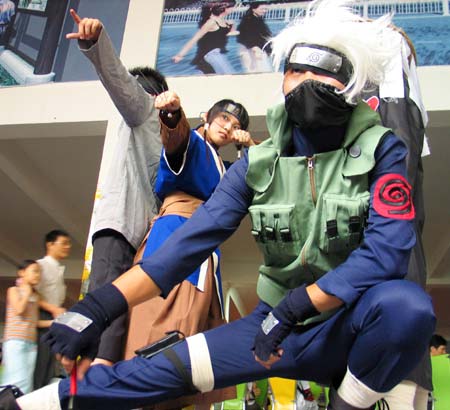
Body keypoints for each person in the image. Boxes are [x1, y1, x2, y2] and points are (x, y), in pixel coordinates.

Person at [9, 1, 436, 410]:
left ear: (345, 85)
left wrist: (297, 307)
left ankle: (347, 405)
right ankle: (27, 403)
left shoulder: (382, 149)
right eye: (294, 70)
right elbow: (188, 243)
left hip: (346, 322)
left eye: (320, 72)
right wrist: (97, 308)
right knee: (155, 371)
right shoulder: (256, 162)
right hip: (269, 329)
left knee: (407, 309)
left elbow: (387, 252)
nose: (305, 80)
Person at [124, 93, 254, 408]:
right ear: (207, 116)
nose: (227, 126)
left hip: (203, 253)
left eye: (235, 124)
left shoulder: (223, 165)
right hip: (174, 241)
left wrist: (248, 148)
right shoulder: (193, 145)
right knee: (159, 331)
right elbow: (177, 140)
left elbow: (259, 180)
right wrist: (172, 115)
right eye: (223, 118)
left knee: (191, 340)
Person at [65, 9, 167, 367]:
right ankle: (87, 364)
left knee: (106, 296)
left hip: (120, 223)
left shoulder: (142, 110)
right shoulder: (162, 136)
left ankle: (96, 370)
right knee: (114, 297)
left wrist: (96, 44)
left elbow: (120, 81)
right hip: (139, 233)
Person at [1, 260, 53, 393]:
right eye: (34, 271)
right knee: (15, 381)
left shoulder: (36, 297)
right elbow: (19, 309)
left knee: (26, 384)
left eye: (39, 272)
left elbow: (34, 322)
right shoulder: (13, 290)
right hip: (15, 341)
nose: (38, 275)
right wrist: (27, 292)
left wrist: (55, 322)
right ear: (22, 273)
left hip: (31, 344)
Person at [33, 230, 70, 389]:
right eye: (64, 243)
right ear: (50, 244)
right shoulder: (40, 265)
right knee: (40, 364)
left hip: (54, 318)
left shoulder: (58, 269)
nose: (67, 247)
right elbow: (32, 293)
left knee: (49, 364)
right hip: (43, 315)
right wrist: (52, 308)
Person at [173, 1, 238, 74]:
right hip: (211, 55)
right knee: (229, 76)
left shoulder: (224, 21)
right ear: (225, 9)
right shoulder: (211, 22)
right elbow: (194, 39)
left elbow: (228, 34)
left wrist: (233, 24)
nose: (234, 9)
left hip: (214, 54)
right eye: (232, 7)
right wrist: (180, 55)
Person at [237, 1, 273, 73]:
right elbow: (246, 36)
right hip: (251, 49)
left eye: (266, 9)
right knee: (257, 72)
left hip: (257, 49)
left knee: (265, 71)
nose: (264, 11)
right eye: (262, 9)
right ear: (254, 9)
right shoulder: (248, 20)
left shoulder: (258, 18)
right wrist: (255, 49)